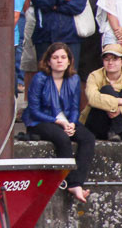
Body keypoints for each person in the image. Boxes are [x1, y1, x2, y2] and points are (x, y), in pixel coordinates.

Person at [24, 43, 95, 203]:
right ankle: (71, 183)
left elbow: (75, 107)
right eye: (55, 58)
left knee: (88, 138)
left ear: (69, 61)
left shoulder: (74, 79)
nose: (59, 61)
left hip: (65, 120)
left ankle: (77, 182)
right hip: (40, 120)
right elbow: (34, 110)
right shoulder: (40, 78)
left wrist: (71, 123)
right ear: (48, 61)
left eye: (63, 57)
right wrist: (59, 122)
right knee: (62, 139)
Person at [82, 44, 122, 142]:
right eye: (107, 59)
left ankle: (117, 131)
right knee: (106, 90)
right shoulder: (94, 76)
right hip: (98, 123)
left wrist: (120, 110)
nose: (110, 62)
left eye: (115, 59)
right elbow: (93, 98)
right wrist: (120, 102)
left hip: (118, 127)